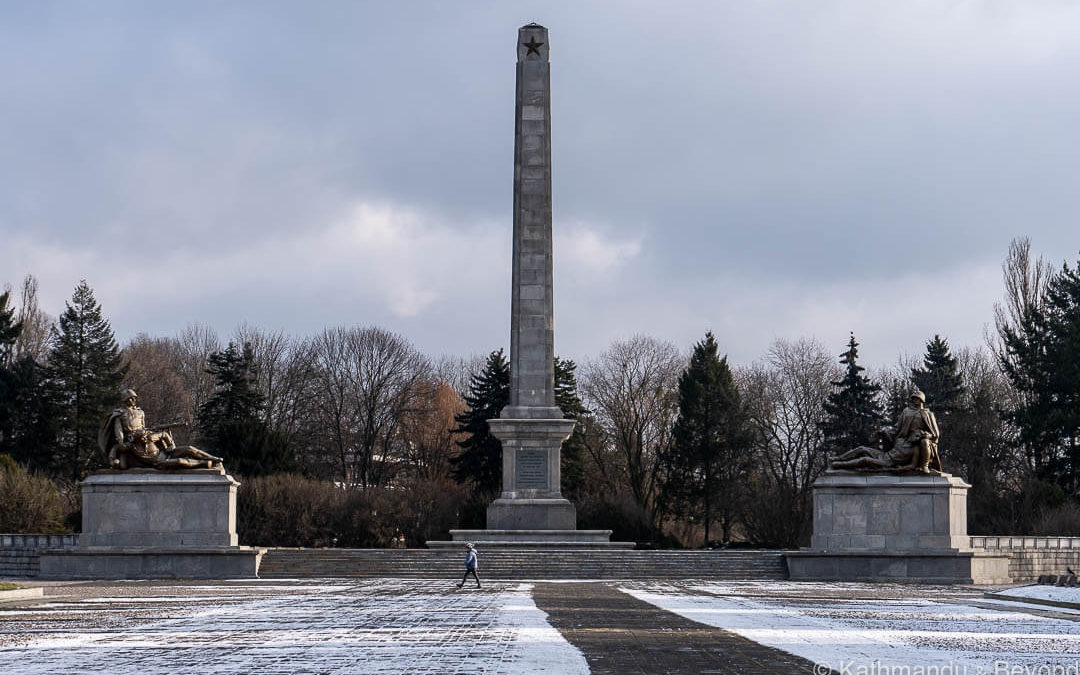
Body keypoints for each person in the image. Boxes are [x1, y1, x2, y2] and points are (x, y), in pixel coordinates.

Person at [98, 389, 224, 470]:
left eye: (134, 398)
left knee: (189, 449)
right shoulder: (119, 414)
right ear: (124, 400)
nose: (132, 400)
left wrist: (168, 444)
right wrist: (123, 443)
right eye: (129, 398)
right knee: (180, 461)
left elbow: (148, 428)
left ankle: (212, 458)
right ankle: (204, 464)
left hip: (152, 443)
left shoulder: (140, 412)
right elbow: (119, 432)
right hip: (135, 443)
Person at [829, 390, 941, 474]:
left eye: (917, 398)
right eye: (913, 398)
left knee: (864, 459)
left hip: (888, 461)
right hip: (885, 455)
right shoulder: (905, 416)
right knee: (861, 449)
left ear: (921, 400)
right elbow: (897, 429)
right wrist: (885, 432)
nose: (914, 400)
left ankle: (838, 465)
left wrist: (926, 435)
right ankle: (838, 459)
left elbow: (935, 433)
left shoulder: (926, 417)